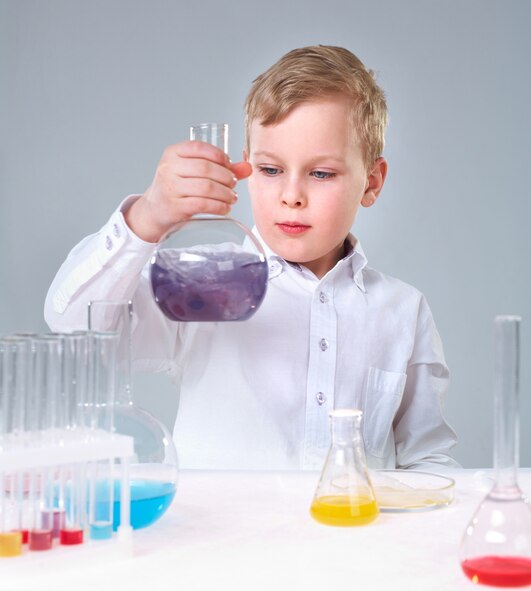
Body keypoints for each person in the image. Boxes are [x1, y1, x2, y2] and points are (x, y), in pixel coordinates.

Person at [44, 45, 459, 471]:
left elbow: (426, 460)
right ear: (247, 168)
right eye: (271, 169)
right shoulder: (201, 282)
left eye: (321, 173)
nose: (291, 196)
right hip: (220, 539)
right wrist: (148, 214)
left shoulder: (404, 311)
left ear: (371, 183)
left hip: (350, 537)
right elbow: (74, 323)